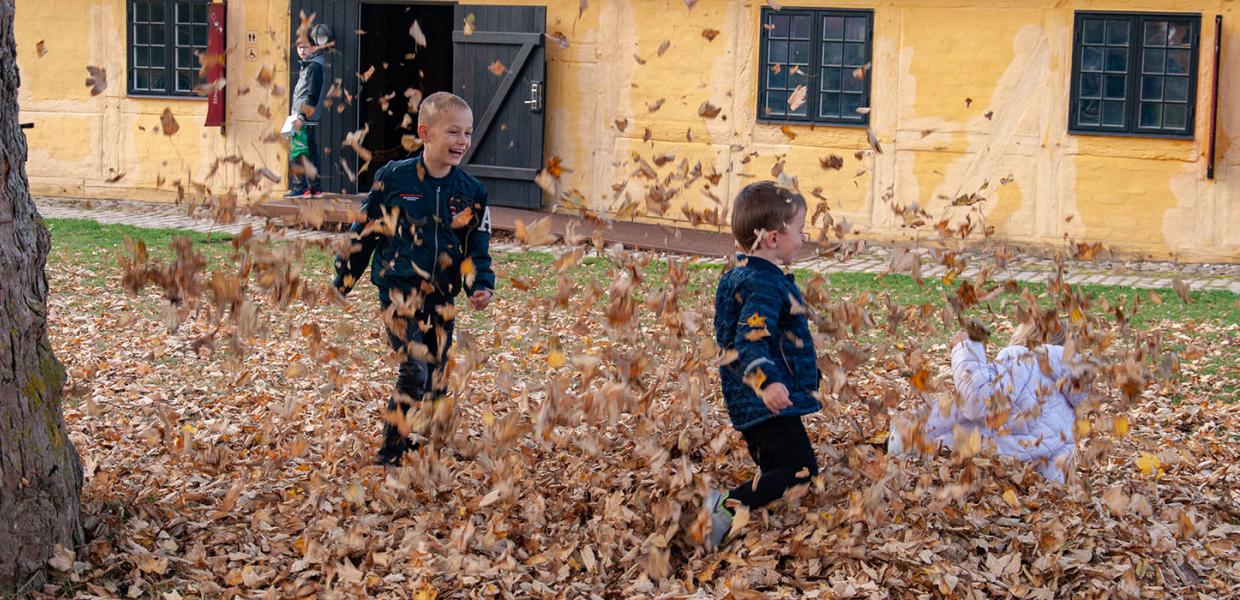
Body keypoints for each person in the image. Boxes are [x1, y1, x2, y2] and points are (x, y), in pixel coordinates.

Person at [333, 92, 495, 465]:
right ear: (425, 132)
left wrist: (480, 283)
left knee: (437, 375)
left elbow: (477, 245)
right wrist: (344, 279)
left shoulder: (471, 191)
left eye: (467, 133)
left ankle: (432, 442)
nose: (462, 141)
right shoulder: (392, 179)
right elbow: (364, 232)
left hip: (441, 296)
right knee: (414, 368)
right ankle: (391, 451)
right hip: (399, 292)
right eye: (453, 131)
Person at [704, 180, 822, 550]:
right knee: (799, 471)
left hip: (753, 398)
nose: (804, 238)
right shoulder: (763, 284)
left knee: (778, 468)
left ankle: (741, 511)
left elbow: (774, 338)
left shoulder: (743, 272)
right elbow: (749, 340)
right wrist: (767, 383)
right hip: (763, 401)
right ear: (773, 238)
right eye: (800, 230)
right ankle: (724, 505)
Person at [887, 317, 1084, 483]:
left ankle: (905, 437)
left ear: (1028, 337)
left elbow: (977, 403)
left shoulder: (1022, 359)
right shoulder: (1069, 416)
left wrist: (967, 349)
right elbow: (1057, 478)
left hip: (955, 464)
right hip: (1010, 491)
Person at [286, 24, 329, 198]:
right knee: (309, 151)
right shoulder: (309, 65)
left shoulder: (314, 67)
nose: (302, 50)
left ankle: (300, 187)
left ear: (314, 47)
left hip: (303, 118)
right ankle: (314, 188)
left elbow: (312, 95)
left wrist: (301, 116)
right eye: (299, 47)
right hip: (303, 116)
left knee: (297, 152)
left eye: (305, 46)